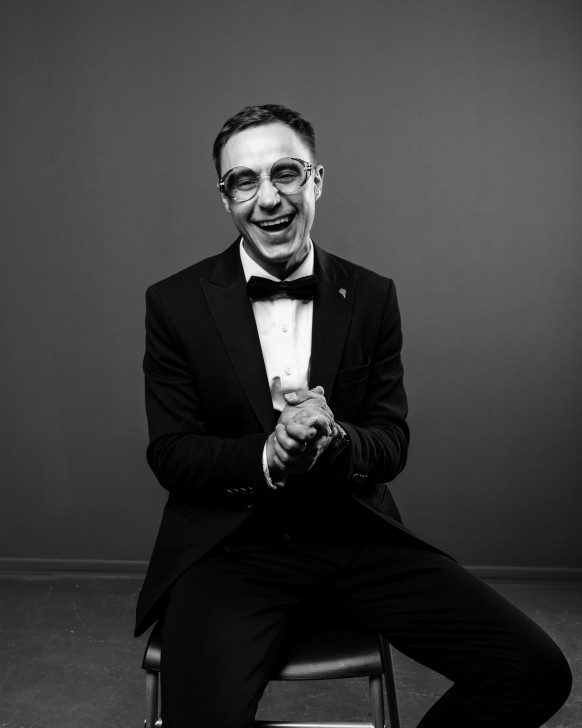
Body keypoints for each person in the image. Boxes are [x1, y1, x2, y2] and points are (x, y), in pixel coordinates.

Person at [135, 104, 571, 727]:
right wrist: (268, 453)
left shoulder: (371, 295)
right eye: (244, 181)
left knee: (534, 673)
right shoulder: (174, 303)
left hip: (353, 536)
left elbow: (391, 441)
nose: (268, 198)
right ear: (225, 198)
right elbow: (172, 453)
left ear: (316, 180)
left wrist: (336, 439)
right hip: (230, 551)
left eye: (286, 172)